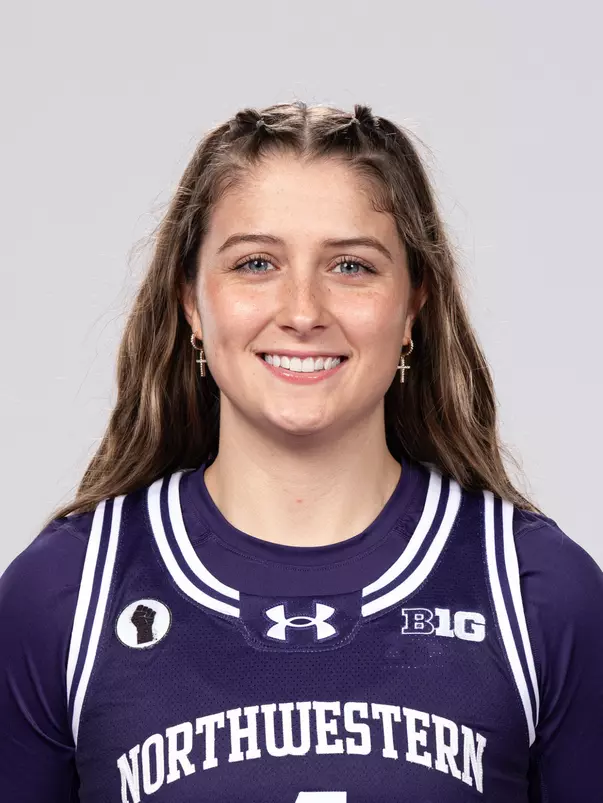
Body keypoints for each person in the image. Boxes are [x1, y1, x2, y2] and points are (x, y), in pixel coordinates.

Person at [0, 101, 601, 803]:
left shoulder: (537, 594)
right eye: (255, 263)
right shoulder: (65, 596)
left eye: (351, 265)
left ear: (412, 308)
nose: (303, 310)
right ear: (192, 303)